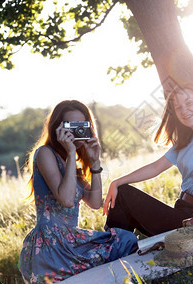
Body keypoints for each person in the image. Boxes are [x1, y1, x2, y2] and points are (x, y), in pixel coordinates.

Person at [18, 100, 138, 283]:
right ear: (58, 129)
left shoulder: (72, 164)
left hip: (71, 241)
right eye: (70, 126)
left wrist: (95, 162)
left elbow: (95, 203)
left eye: (81, 125)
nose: (76, 131)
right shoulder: (45, 153)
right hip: (51, 244)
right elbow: (66, 199)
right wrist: (72, 152)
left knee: (126, 239)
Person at [103, 84, 193, 237]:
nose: (184, 111)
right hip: (181, 211)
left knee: (123, 194)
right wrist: (116, 182)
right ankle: (117, 247)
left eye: (189, 103)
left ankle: (109, 248)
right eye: (178, 107)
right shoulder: (187, 140)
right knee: (121, 191)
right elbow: (156, 167)